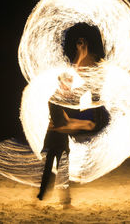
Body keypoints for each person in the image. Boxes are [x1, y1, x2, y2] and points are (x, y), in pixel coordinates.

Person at [37, 37, 99, 208]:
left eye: (71, 82)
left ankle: (50, 199)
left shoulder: (63, 98)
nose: (70, 85)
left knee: (57, 170)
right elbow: (62, 125)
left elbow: (66, 121)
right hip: (56, 137)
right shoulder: (55, 100)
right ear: (60, 83)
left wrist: (80, 54)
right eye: (67, 82)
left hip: (59, 139)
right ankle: (50, 199)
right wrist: (83, 125)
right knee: (55, 170)